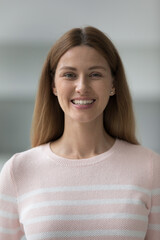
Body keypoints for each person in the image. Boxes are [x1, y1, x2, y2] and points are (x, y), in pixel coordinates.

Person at [0, 26, 160, 240]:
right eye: (69, 75)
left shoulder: (150, 168)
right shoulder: (18, 171)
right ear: (53, 85)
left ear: (113, 84)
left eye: (95, 74)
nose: (82, 86)